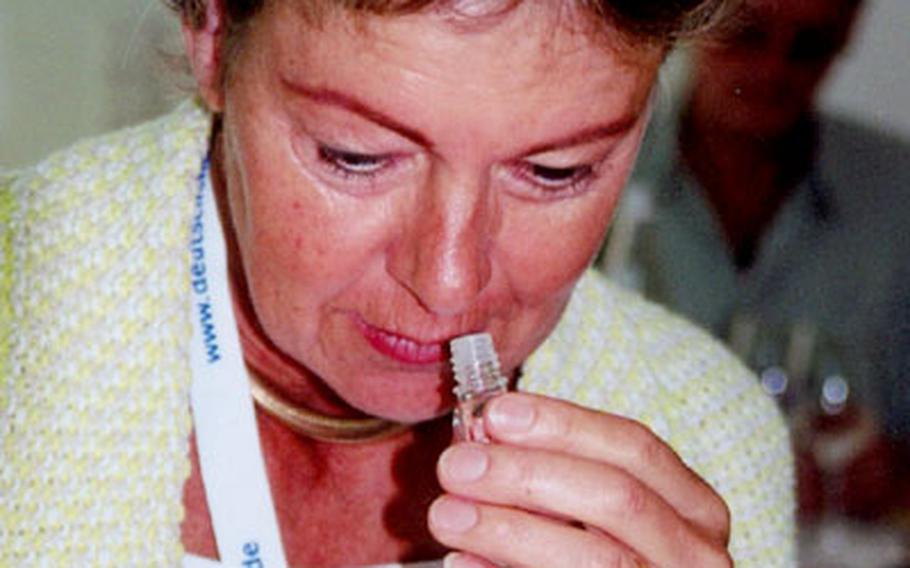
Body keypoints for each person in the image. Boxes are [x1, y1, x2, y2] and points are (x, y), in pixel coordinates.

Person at [0, 1, 794, 566]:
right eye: (355, 155)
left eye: (557, 172)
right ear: (211, 33)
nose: (449, 287)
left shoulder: (710, 437)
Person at [602, 0, 910, 519]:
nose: (773, 71)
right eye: (746, 35)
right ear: (691, 21)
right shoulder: (599, 171)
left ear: (847, 34)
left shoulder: (895, 195)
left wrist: (895, 471)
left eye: (808, 47)